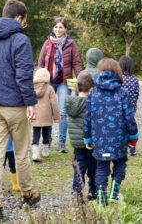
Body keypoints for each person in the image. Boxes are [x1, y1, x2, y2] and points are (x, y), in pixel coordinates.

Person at [0, 0, 40, 220]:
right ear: (19, 18)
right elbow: (23, 76)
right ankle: (27, 193)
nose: (24, 24)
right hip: (16, 106)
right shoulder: (21, 40)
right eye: (24, 20)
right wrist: (31, 102)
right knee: (21, 152)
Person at [83, 58, 139, 206]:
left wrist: (88, 138)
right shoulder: (122, 93)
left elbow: (87, 118)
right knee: (120, 162)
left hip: (99, 139)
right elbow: (129, 117)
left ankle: (101, 198)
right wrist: (133, 136)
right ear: (117, 73)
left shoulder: (93, 93)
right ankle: (114, 191)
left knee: (101, 167)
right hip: (119, 138)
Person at [38, 17, 82, 153]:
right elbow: (40, 62)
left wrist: (80, 78)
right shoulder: (47, 43)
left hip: (64, 82)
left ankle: (62, 143)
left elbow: (76, 63)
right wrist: (39, 79)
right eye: (56, 27)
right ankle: (48, 139)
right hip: (48, 81)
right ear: (53, 28)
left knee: (63, 112)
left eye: (61, 27)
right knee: (48, 111)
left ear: (65, 29)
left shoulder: (71, 44)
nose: (58, 29)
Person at [65, 73, 96, 200]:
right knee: (93, 168)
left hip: (76, 143)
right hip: (90, 142)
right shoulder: (91, 103)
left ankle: (77, 192)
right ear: (91, 88)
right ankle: (93, 191)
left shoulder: (70, 102)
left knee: (79, 168)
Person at [31, 68, 60, 162]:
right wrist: (56, 117)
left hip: (35, 115)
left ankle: (35, 152)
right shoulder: (49, 88)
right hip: (46, 116)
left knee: (36, 134)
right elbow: (54, 103)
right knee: (46, 133)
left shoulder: (31, 87)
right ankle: (45, 150)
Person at [119, 55, 140, 156]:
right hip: (131, 109)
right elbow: (136, 95)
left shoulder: (118, 79)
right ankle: (132, 147)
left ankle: (121, 146)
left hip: (119, 108)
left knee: (120, 127)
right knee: (131, 128)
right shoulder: (134, 80)